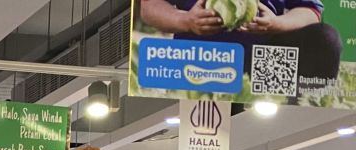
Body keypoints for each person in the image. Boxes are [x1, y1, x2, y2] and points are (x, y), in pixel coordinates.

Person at [140, 0, 342, 86]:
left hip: (265, 57)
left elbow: (310, 10)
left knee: (326, 39)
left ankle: (300, 105)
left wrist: (277, 23)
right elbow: (149, 6)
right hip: (201, 57)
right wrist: (184, 20)